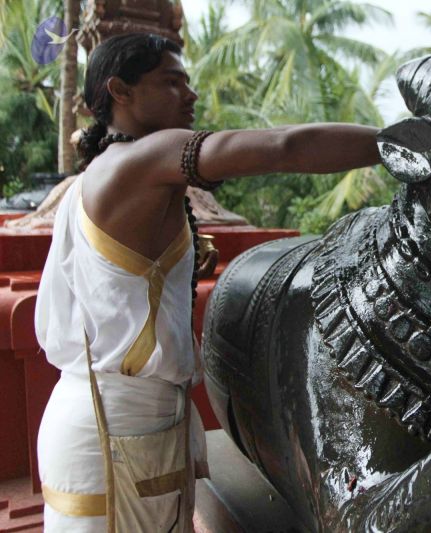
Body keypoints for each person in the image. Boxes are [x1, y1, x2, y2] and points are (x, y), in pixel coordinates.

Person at [34, 32, 380, 532]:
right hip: (117, 434)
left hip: (102, 421)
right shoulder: (145, 158)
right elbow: (281, 147)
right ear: (120, 91)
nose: (190, 94)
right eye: (171, 82)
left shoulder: (93, 178)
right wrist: (398, 140)